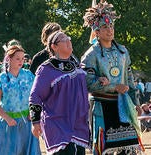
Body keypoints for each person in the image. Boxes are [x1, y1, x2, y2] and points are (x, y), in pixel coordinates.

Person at [81, 1, 143, 154]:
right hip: (102, 106)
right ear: (96, 31)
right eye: (104, 27)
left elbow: (129, 79)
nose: (110, 30)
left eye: (111, 27)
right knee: (103, 149)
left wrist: (136, 102)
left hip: (124, 105)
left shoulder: (122, 51)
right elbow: (87, 83)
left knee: (128, 149)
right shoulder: (91, 55)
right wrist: (113, 87)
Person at [29, 31, 90, 154]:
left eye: (68, 38)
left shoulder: (77, 66)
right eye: (64, 39)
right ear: (54, 46)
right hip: (58, 124)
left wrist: (101, 80)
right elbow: (35, 95)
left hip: (78, 123)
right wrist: (35, 122)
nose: (68, 41)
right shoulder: (47, 69)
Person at [0, 45, 41, 155]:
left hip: (27, 122)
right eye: (18, 58)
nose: (21, 61)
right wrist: (7, 118)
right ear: (9, 59)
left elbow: (37, 96)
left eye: (23, 58)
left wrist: (33, 113)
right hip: (9, 123)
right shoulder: (2, 78)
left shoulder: (28, 75)